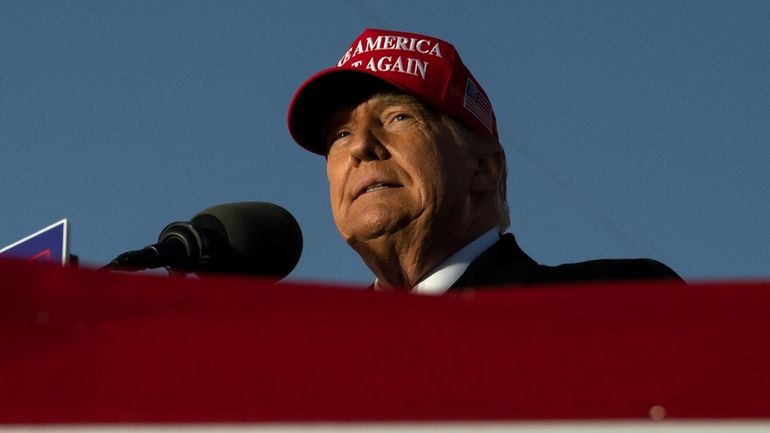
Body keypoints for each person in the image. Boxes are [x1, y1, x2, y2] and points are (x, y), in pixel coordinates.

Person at [287, 28, 681, 293]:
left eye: (398, 118)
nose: (360, 147)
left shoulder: (613, 300)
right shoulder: (307, 357)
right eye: (340, 135)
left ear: (484, 167)